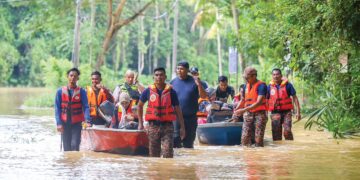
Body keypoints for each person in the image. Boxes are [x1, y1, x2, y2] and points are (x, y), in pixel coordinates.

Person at [138, 67, 185, 158]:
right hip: (153, 126)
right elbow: (139, 106)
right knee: (153, 155)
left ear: (165, 77)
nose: (159, 77)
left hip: (167, 126)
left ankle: (166, 171)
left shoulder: (171, 92)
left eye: (161, 75)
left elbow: (178, 109)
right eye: (156, 75)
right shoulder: (147, 91)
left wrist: (182, 127)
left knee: (168, 154)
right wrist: (140, 123)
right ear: (153, 77)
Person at [171, 61, 207, 148]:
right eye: (178, 68)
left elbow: (203, 96)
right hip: (176, 118)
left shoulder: (194, 81)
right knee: (175, 142)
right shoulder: (173, 82)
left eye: (182, 69)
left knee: (188, 143)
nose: (179, 70)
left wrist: (198, 84)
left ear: (187, 70)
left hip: (190, 118)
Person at [55, 68, 90, 151]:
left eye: (75, 76)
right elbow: (57, 108)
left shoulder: (81, 91)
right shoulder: (60, 91)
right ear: (67, 76)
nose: (73, 78)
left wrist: (87, 120)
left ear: (78, 78)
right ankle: (67, 163)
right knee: (66, 148)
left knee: (75, 146)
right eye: (71, 75)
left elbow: (86, 106)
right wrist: (59, 123)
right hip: (64, 123)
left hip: (77, 123)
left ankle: (75, 163)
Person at [234, 67, 267, 147]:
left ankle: (258, 157)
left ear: (254, 76)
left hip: (260, 114)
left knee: (258, 140)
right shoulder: (245, 86)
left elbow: (258, 102)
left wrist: (243, 110)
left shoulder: (261, 86)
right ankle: (248, 157)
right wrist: (236, 111)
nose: (246, 79)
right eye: (245, 78)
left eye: (247, 78)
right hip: (248, 114)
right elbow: (242, 100)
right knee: (244, 139)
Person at [267, 68, 301, 141]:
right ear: (272, 76)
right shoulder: (269, 87)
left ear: (281, 75)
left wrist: (298, 112)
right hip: (275, 112)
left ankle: (290, 147)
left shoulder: (288, 85)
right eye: (274, 75)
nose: (275, 76)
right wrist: (265, 113)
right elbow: (266, 100)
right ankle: (278, 151)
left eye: (277, 74)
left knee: (287, 131)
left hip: (287, 112)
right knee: (276, 136)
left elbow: (295, 98)